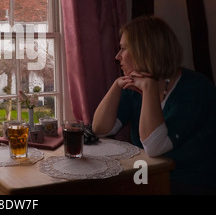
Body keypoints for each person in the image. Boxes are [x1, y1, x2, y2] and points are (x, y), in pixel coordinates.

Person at [92, 15, 216, 194]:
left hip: (191, 181)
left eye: (123, 49)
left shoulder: (194, 89)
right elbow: (101, 129)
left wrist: (149, 88)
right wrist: (117, 85)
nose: (117, 56)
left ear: (144, 51)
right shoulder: (134, 85)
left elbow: (156, 147)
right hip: (148, 174)